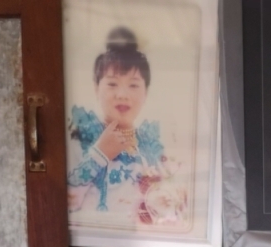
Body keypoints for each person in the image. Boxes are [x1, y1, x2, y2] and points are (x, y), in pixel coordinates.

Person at [68, 28, 186, 228]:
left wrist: (163, 205)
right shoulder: (80, 139)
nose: (122, 94)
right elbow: (67, 202)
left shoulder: (152, 147)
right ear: (97, 88)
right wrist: (100, 154)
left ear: (145, 92)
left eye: (133, 85)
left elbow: (176, 214)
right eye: (112, 84)